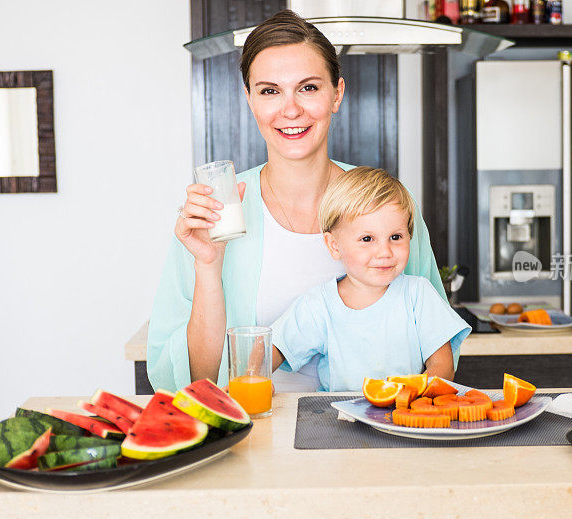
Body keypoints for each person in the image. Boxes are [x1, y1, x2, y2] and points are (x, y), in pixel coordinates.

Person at [147, 10, 449, 392]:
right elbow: (200, 384)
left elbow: (435, 340)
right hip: (253, 435)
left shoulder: (385, 202)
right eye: (270, 90)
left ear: (337, 93)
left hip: (378, 433)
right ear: (250, 99)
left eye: (308, 87)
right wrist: (208, 266)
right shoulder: (214, 212)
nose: (290, 110)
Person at [269, 167, 471, 392]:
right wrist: (252, 380)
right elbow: (274, 349)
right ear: (334, 246)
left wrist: (414, 395)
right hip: (338, 420)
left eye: (395, 237)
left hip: (402, 417)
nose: (384, 251)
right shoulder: (319, 305)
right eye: (367, 239)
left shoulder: (418, 294)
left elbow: (443, 366)